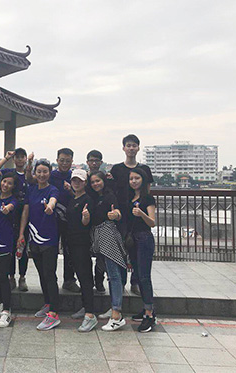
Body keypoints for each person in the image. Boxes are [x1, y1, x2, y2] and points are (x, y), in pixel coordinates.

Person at [27, 149, 80, 293]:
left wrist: (70, 190)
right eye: (62, 160)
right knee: (51, 251)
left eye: (67, 161)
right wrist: (29, 164)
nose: (64, 163)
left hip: (70, 220)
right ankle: (50, 279)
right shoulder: (51, 175)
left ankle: (69, 280)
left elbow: (80, 195)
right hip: (52, 220)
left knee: (69, 250)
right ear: (57, 160)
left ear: (72, 161)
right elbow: (32, 180)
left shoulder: (75, 176)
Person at [19, 159, 61, 330]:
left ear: (49, 173)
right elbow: (25, 212)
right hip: (34, 239)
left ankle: (54, 314)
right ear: (35, 173)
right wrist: (21, 233)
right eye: (39, 172)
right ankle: (48, 303)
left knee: (50, 274)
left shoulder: (53, 189)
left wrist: (50, 207)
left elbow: (53, 200)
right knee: (42, 274)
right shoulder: (31, 189)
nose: (42, 175)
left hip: (49, 240)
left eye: (45, 171)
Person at [110, 134, 153, 296]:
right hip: (121, 215)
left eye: (134, 145)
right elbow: (111, 190)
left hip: (138, 214)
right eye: (128, 145)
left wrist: (144, 210)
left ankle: (135, 282)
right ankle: (121, 284)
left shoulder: (145, 169)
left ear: (138, 148)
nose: (131, 148)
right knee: (121, 249)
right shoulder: (116, 169)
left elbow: (147, 191)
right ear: (123, 148)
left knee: (137, 251)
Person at [87, 171, 128, 331]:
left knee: (113, 274)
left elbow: (117, 212)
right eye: (93, 182)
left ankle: (117, 315)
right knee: (110, 274)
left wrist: (115, 214)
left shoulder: (110, 196)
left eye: (98, 181)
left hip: (107, 233)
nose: (95, 184)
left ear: (104, 181)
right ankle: (114, 308)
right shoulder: (95, 197)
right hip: (99, 233)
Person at [0, 148, 29, 291]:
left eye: (22, 157)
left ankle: (22, 277)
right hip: (8, 216)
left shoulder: (28, 175)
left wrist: (31, 164)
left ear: (25, 159)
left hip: (23, 214)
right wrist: (6, 158)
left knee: (22, 248)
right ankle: (11, 277)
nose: (19, 159)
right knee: (10, 249)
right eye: (17, 157)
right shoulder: (9, 173)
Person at [65, 169, 98, 332]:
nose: (76, 183)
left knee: (85, 278)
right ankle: (86, 307)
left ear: (85, 183)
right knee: (80, 275)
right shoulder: (73, 199)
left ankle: (90, 315)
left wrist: (86, 217)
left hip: (82, 244)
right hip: (72, 243)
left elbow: (86, 222)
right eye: (74, 180)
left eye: (79, 181)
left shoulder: (87, 200)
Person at [128, 168, 157, 332]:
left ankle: (149, 314)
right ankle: (146, 307)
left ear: (143, 180)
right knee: (138, 275)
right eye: (131, 178)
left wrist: (141, 214)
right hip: (133, 240)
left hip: (144, 239)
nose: (133, 181)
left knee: (144, 277)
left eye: (137, 178)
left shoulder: (148, 198)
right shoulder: (131, 197)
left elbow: (152, 222)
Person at [0, 172, 19, 327]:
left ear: (13, 186)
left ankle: (7, 310)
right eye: (4, 181)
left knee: (2, 276)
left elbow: (12, 206)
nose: (5, 185)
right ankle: (2, 302)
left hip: (5, 243)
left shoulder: (13, 201)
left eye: (9, 183)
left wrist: (8, 208)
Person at [86, 149, 106, 293]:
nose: (94, 163)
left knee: (101, 256)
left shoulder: (105, 178)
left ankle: (99, 281)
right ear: (87, 162)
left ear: (101, 162)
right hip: (86, 223)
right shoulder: (83, 179)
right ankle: (87, 281)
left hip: (101, 224)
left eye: (96, 161)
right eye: (91, 161)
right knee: (85, 255)